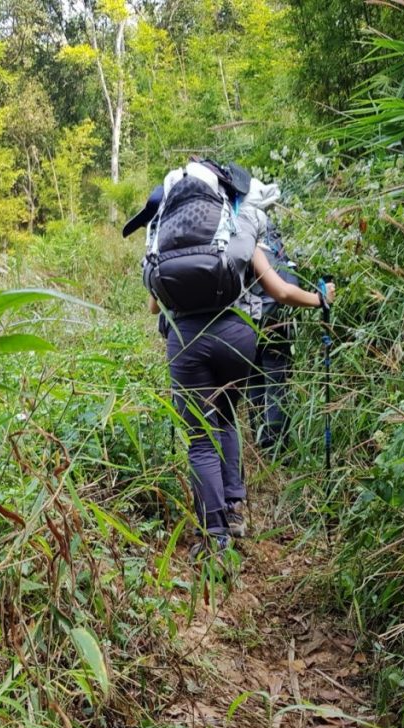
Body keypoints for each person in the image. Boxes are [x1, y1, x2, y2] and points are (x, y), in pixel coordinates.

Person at [125, 162, 335, 559]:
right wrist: (321, 298)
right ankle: (235, 509)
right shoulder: (234, 225)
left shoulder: (163, 233)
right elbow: (281, 292)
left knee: (201, 438)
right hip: (238, 338)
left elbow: (155, 306)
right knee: (225, 418)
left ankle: (214, 535)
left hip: (188, 341)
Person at [246, 225, 302, 453]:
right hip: (277, 318)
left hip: (246, 321)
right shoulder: (276, 246)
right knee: (276, 380)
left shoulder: (239, 235)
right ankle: (275, 446)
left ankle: (259, 435)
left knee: (253, 377)